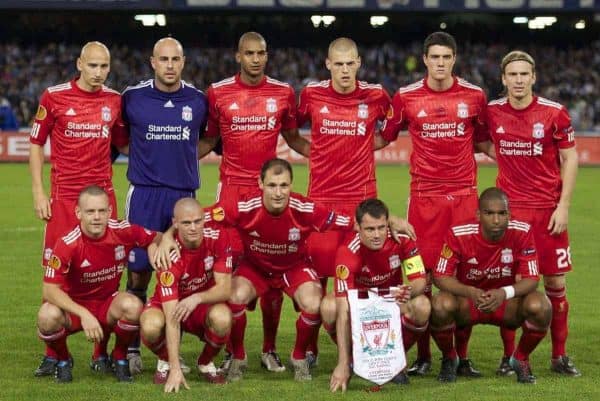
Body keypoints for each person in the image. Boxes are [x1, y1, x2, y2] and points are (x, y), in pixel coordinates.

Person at [379, 31, 490, 377]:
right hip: (424, 200)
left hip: (463, 197)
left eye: (446, 57)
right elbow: (383, 138)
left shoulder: (474, 96)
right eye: (434, 58)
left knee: (464, 275)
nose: (440, 63)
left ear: (454, 59)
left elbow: (486, 141)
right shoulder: (407, 97)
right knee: (421, 280)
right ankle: (424, 357)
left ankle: (461, 356)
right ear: (425, 60)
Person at [198, 32, 310, 373]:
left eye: (261, 53)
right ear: (238, 56)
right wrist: (170, 159)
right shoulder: (217, 93)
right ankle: (236, 351)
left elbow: (293, 138)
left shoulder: (283, 93)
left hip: (270, 195)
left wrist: (332, 156)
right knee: (231, 275)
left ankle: (269, 348)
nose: (256, 59)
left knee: (271, 271)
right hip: (231, 192)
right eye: (249, 53)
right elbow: (208, 140)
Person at [29, 41, 127, 377]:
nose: (99, 72)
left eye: (104, 66)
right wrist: (39, 192)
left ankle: (102, 351)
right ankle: (55, 353)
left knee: (106, 274)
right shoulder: (54, 96)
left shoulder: (114, 101)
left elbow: (124, 143)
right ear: (79, 64)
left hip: (103, 201)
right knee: (57, 276)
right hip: (65, 201)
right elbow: (36, 144)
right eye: (93, 65)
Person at [481, 50, 580, 376]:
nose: (519, 80)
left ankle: (559, 356)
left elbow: (570, 158)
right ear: (504, 79)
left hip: (547, 213)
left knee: (554, 282)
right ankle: (509, 358)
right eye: (513, 75)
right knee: (510, 284)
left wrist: (563, 205)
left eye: (525, 74)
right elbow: (481, 143)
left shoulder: (554, 113)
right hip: (509, 216)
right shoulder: (492, 112)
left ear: (534, 77)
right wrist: (508, 161)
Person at [297, 37, 392, 366]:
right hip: (322, 201)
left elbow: (389, 132)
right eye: (338, 64)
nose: (345, 70)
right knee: (316, 280)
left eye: (350, 63)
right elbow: (290, 130)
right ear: (328, 64)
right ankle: (308, 349)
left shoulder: (376, 96)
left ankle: (365, 344)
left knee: (361, 277)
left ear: (359, 63)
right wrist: (314, 152)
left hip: (361, 203)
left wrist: (364, 147)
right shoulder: (311, 95)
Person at [119, 37, 208, 373]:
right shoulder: (132, 98)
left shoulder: (197, 101)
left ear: (183, 61)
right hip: (143, 195)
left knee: (180, 274)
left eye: (176, 59)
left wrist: (183, 159)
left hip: (182, 197)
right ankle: (130, 350)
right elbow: (120, 138)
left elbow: (209, 138)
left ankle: (171, 350)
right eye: (163, 59)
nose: (170, 65)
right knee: (139, 271)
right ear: (152, 62)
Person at [36, 186, 161, 382]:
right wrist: (84, 314)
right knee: (46, 316)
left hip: (106, 304)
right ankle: (63, 359)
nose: (97, 217)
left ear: (110, 211)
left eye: (102, 211)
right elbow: (50, 290)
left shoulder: (121, 230)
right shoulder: (67, 243)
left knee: (134, 306)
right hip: (75, 308)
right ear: (78, 213)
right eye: (90, 211)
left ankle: (119, 356)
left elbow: (156, 236)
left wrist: (153, 245)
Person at [430, 187, 551, 384]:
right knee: (439, 304)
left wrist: (505, 293)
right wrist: (469, 291)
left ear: (509, 214)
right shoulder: (459, 233)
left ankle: (519, 359)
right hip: (469, 302)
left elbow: (532, 278)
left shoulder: (522, 231)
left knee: (541, 305)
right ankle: (450, 358)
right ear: (478, 214)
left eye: (502, 213)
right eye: (489, 213)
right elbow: (440, 276)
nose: (496, 220)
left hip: (505, 304)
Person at [325, 199, 429, 392]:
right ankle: (351, 360)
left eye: (382, 228)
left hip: (392, 302)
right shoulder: (347, 252)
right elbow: (342, 308)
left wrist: (409, 291)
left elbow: (420, 281)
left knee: (422, 305)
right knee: (329, 306)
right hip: (361, 307)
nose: (377, 235)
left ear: (388, 223)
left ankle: (395, 362)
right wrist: (341, 362)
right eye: (370, 229)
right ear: (357, 227)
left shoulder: (402, 240)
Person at [140, 198, 233, 392]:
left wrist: (197, 298)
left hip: (200, 303)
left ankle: (205, 362)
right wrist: (175, 369)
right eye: (186, 223)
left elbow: (225, 289)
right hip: (170, 304)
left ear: (204, 219)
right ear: (175, 223)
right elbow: (172, 317)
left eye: (198, 221)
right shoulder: (168, 256)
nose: (193, 228)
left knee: (223, 318)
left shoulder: (218, 237)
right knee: (150, 326)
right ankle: (167, 360)